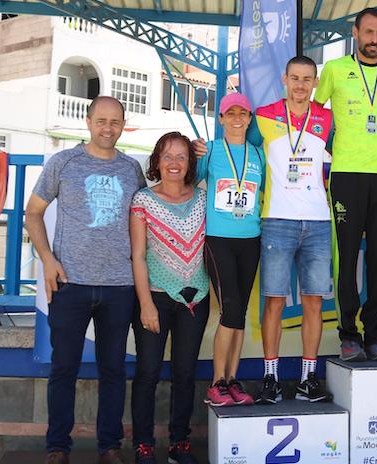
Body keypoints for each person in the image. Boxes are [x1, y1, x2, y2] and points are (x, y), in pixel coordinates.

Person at [26, 96, 146, 464]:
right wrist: (47, 260)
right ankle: (57, 447)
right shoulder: (63, 162)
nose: (108, 128)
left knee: (114, 370)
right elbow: (33, 213)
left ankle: (109, 446)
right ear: (88, 121)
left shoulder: (132, 169)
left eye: (115, 121)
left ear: (123, 123)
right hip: (70, 283)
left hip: (119, 286)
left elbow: (143, 221)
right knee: (64, 368)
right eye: (101, 120)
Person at [314, 7, 377, 361]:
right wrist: (327, 147)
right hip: (346, 175)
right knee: (346, 256)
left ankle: (375, 335)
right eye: (368, 32)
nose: (374, 40)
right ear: (355, 32)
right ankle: (348, 334)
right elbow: (315, 114)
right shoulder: (334, 70)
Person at [253, 56, 333, 403]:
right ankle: (270, 377)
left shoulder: (327, 118)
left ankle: (307, 379)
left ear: (315, 83)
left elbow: (345, 152)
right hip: (277, 220)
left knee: (313, 302)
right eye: (295, 78)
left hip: (318, 221)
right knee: (274, 301)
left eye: (307, 79)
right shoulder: (263, 115)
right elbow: (240, 147)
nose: (301, 85)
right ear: (285, 79)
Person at [129, 132, 208, 464]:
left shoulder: (203, 198)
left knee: (185, 374)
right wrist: (145, 304)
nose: (174, 163)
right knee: (148, 373)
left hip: (196, 299)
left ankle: (179, 443)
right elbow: (137, 256)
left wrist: (206, 149)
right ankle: (143, 445)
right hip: (155, 298)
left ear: (190, 163)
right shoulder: (143, 201)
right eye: (167, 156)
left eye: (181, 157)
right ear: (156, 161)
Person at [198, 92, 265, 407]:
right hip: (219, 239)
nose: (237, 119)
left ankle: (232, 380)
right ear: (221, 118)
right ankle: (217, 383)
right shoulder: (210, 151)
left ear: (249, 119)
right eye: (231, 113)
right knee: (231, 308)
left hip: (250, 239)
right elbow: (187, 180)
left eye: (243, 113)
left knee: (241, 312)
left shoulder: (258, 154)